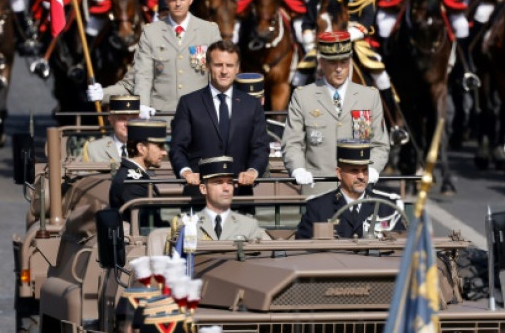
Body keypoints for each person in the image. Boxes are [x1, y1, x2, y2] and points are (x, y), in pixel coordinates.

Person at [87, 0, 222, 117]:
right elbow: (137, 79)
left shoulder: (209, 31)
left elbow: (220, 75)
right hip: (162, 120)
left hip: (199, 119)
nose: (178, 3)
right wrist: (103, 94)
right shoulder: (151, 32)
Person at [282, 31, 390, 192]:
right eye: (333, 62)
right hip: (318, 189)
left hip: (358, 189)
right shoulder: (303, 96)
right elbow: (292, 142)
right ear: (322, 62)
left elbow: (379, 144)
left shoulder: (369, 96)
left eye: (344, 62)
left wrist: (373, 169)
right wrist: (297, 169)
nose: (339, 68)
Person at [169, 40, 270, 197]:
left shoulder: (251, 105)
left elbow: (260, 148)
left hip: (240, 195)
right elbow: (177, 148)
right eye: (218, 65)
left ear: (237, 68)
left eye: (229, 65)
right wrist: (186, 172)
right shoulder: (189, 103)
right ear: (208, 66)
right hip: (198, 194)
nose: (224, 71)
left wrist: (252, 171)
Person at [296, 142, 405, 239]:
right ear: (339, 173)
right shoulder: (318, 208)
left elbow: (398, 249)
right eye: (354, 171)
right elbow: (304, 249)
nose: (361, 176)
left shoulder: (387, 207)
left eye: (365, 170)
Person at [195, 156, 270, 241]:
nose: (226, 188)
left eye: (230, 182)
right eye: (218, 182)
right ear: (203, 189)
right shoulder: (188, 224)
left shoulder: (249, 225)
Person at [109, 120, 168, 220]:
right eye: (159, 146)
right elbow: (146, 223)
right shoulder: (131, 183)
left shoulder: (135, 177)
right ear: (141, 148)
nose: (164, 152)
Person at [83, 95, 141, 162]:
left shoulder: (147, 148)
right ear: (111, 119)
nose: (127, 124)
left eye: (132, 119)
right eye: (122, 119)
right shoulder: (95, 148)